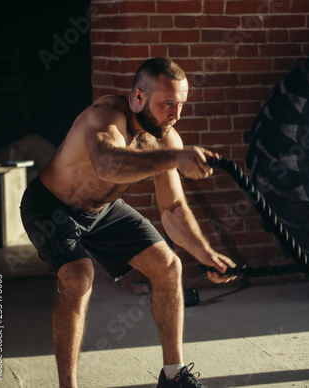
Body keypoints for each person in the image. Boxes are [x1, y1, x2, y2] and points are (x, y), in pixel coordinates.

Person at [20, 57, 236, 388]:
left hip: (103, 209)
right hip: (51, 206)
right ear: (137, 97)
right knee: (78, 278)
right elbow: (108, 165)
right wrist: (175, 158)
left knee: (169, 266)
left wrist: (205, 253)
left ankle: (173, 375)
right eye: (167, 103)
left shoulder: (166, 138)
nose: (176, 115)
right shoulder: (104, 116)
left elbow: (173, 208)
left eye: (181, 105)